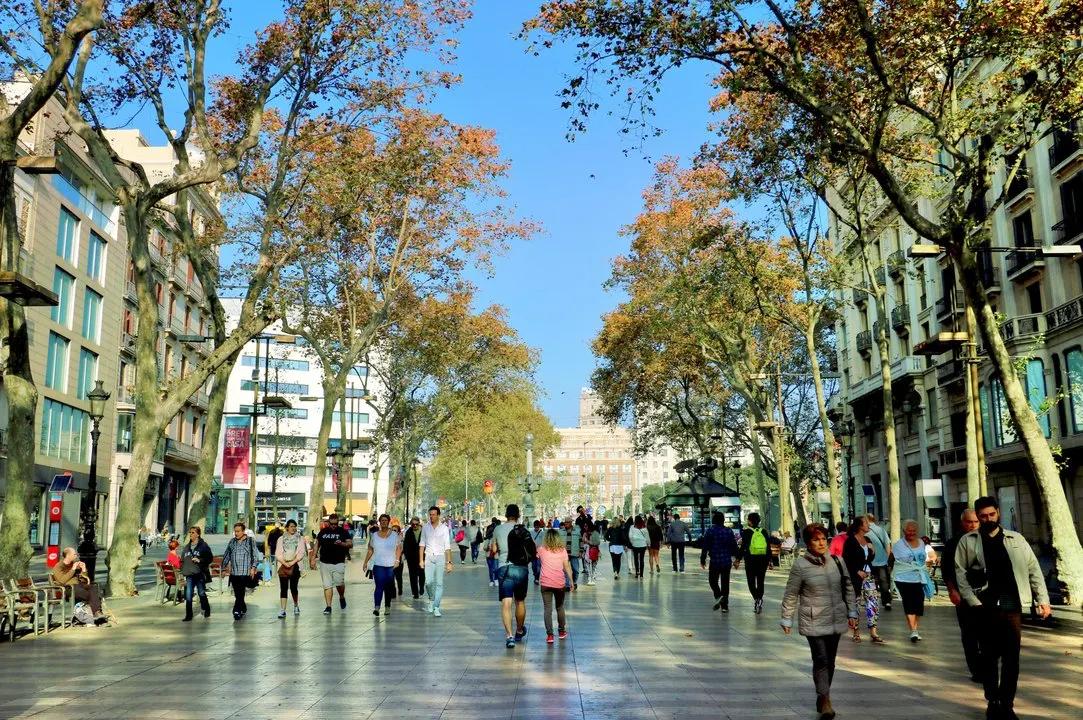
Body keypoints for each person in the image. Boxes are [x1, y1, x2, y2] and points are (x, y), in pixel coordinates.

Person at [955, 496, 1052, 720]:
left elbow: (1033, 570)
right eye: (983, 516)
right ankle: (993, 699)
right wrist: (972, 600)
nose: (988, 519)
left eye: (992, 514)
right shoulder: (968, 541)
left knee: (1011, 657)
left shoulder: (1015, 539)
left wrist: (1042, 599)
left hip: (1011, 601)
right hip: (984, 603)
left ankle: (1007, 703)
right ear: (977, 518)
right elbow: (960, 574)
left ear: (998, 513)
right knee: (988, 656)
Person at [780, 523, 858, 720]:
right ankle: (825, 699)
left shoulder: (837, 561)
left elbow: (848, 586)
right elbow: (791, 594)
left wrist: (852, 611)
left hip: (836, 616)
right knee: (821, 658)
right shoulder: (800, 566)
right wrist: (787, 618)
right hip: (813, 619)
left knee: (830, 661)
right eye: (816, 539)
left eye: (823, 538)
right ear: (808, 543)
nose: (821, 543)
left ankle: (822, 694)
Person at [943, 508, 982, 682]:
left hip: (984, 595)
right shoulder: (953, 544)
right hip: (963, 595)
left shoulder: (986, 540)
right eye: (969, 522)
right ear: (962, 523)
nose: (973, 525)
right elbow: (947, 570)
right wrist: (952, 590)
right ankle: (976, 669)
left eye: (976, 521)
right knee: (969, 633)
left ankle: (986, 666)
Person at [492, 503, 535, 648]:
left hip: (504, 568)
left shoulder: (498, 529)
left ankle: (509, 636)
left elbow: (493, 549)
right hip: (521, 568)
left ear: (506, 514)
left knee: (506, 602)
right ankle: (520, 630)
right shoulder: (523, 529)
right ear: (518, 515)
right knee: (520, 601)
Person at [841, 516, 886, 644]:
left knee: (873, 603)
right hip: (856, 578)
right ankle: (856, 631)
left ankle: (873, 631)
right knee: (856, 603)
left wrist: (872, 551)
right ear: (859, 526)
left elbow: (869, 559)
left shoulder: (867, 539)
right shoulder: (850, 541)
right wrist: (856, 571)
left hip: (869, 576)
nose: (868, 525)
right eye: (866, 523)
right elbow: (846, 560)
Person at [891, 519, 937, 642]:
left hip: (919, 578)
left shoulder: (921, 543)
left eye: (914, 531)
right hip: (903, 578)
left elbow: (926, 557)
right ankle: (913, 630)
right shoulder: (898, 546)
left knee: (918, 605)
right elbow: (892, 560)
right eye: (909, 531)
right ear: (903, 531)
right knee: (909, 604)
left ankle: (915, 629)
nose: (911, 533)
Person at [51, 547, 108, 625]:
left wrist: (84, 570)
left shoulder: (74, 564)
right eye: (74, 554)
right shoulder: (59, 566)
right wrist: (73, 569)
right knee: (90, 595)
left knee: (93, 589)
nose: (76, 555)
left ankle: (97, 613)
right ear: (68, 556)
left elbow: (84, 580)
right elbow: (62, 580)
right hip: (67, 588)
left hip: (79, 585)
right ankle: (90, 614)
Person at [538, 528, 575, 644]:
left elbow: (535, 556)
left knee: (547, 609)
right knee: (560, 607)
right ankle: (561, 631)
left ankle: (549, 635)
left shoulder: (541, 550)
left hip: (545, 583)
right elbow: (567, 567)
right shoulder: (562, 551)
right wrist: (571, 581)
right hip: (559, 583)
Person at [363, 513, 403, 617]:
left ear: (389, 522)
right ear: (379, 522)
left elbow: (399, 548)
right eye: (382, 520)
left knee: (388, 586)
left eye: (386, 520)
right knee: (379, 585)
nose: (384, 522)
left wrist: (397, 560)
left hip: (391, 565)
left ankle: (387, 606)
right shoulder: (374, 536)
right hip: (378, 564)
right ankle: (376, 607)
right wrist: (365, 562)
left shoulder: (395, 535)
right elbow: (370, 550)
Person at [314, 513, 353, 615]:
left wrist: (342, 544)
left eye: (335, 524)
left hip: (338, 562)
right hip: (324, 562)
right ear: (328, 522)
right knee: (327, 585)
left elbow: (350, 544)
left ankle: (341, 596)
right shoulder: (323, 532)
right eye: (331, 524)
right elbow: (317, 545)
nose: (333, 526)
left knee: (339, 583)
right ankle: (328, 606)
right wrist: (313, 558)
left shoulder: (343, 532)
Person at [700, 511, 739, 612]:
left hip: (715, 561)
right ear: (723, 520)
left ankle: (718, 596)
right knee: (725, 583)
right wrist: (737, 558)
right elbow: (734, 546)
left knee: (712, 580)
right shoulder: (728, 531)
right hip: (726, 561)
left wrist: (702, 559)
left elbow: (705, 546)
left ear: (713, 520)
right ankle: (724, 607)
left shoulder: (710, 531)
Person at [735, 512, 773, 614]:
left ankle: (756, 598)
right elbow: (768, 547)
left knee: (751, 581)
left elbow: (743, 547)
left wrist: (738, 560)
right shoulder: (763, 531)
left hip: (751, 560)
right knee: (760, 581)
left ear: (750, 521)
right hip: (763, 559)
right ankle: (759, 599)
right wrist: (770, 560)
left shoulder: (747, 532)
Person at [419, 505, 453, 617]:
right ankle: (431, 599)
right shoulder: (425, 527)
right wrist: (421, 560)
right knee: (428, 582)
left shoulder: (444, 528)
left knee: (439, 583)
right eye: (430, 514)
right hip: (428, 556)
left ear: (438, 515)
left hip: (440, 557)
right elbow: (422, 544)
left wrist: (449, 562)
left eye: (433, 514)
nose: (431, 516)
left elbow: (447, 546)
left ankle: (437, 607)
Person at [221, 522, 259, 620]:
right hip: (234, 572)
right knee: (238, 593)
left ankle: (237, 610)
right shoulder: (232, 542)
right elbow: (226, 555)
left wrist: (253, 567)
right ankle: (241, 608)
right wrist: (223, 568)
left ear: (243, 531)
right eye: (235, 531)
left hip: (246, 572)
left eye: (238, 531)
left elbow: (255, 556)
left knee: (240, 593)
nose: (236, 533)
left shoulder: (250, 541)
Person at [179, 526, 214, 622]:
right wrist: (183, 570)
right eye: (190, 532)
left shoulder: (203, 546)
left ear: (198, 534)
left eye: (193, 532)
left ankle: (206, 609)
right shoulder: (187, 547)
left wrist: (200, 560)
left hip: (199, 574)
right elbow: (182, 560)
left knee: (201, 592)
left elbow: (210, 558)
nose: (191, 534)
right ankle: (188, 615)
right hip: (189, 575)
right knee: (189, 595)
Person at [275, 519, 307, 618]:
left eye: (294, 526)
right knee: (283, 588)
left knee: (293, 587)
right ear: (287, 527)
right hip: (283, 565)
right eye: (291, 526)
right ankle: (282, 610)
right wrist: (284, 563)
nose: (293, 528)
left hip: (296, 565)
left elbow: (301, 552)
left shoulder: (300, 538)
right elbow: (278, 552)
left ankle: (296, 604)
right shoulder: (281, 539)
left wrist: (293, 562)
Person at [865, 514, 893, 611]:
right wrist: (888, 558)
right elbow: (887, 545)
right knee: (884, 582)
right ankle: (887, 601)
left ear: (867, 521)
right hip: (882, 561)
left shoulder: (865, 532)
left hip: (870, 562)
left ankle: (872, 601)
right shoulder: (881, 530)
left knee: (871, 582)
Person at [403, 517, 425, 599]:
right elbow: (405, 544)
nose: (415, 526)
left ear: (419, 523)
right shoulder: (409, 532)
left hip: (422, 556)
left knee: (422, 573)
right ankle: (415, 592)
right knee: (412, 575)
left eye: (416, 524)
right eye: (413, 524)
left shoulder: (424, 531)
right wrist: (407, 555)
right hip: (411, 557)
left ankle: (421, 587)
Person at [564, 516, 583, 589]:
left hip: (574, 553)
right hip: (564, 554)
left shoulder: (577, 531)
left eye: (568, 522)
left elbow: (581, 542)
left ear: (571, 523)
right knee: (565, 570)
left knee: (576, 570)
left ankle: (574, 582)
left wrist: (581, 551)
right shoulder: (561, 531)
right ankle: (567, 585)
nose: (566, 523)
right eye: (565, 522)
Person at [584, 520, 601, 585]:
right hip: (587, 551)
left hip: (594, 550)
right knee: (587, 565)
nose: (585, 527)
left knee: (594, 565)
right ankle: (589, 578)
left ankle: (592, 578)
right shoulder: (585, 533)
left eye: (586, 526)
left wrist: (589, 542)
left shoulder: (595, 533)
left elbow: (598, 542)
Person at [391, 521, 405, 598]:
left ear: (398, 531)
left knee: (398, 576)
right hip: (390, 561)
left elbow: (402, 549)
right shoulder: (388, 538)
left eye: (395, 530)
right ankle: (393, 591)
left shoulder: (401, 539)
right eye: (392, 530)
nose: (393, 532)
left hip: (399, 560)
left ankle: (400, 589)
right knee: (391, 576)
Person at [530, 520, 545, 584]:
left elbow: (544, 542)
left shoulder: (542, 533)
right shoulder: (531, 533)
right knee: (533, 566)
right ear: (534, 526)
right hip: (533, 552)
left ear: (539, 526)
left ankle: (537, 578)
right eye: (535, 526)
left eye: (537, 526)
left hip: (540, 552)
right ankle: (535, 575)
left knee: (538, 566)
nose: (536, 528)